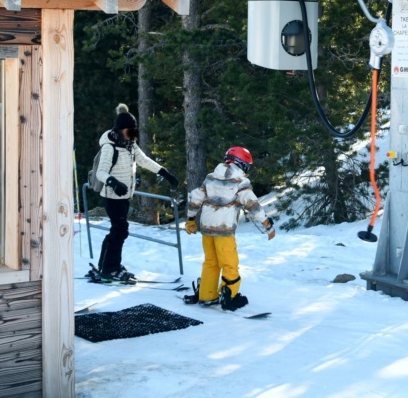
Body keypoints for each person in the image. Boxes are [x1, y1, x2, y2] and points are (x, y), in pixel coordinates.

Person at [89, 103, 178, 283]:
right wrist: (113, 182)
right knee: (120, 231)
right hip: (112, 196)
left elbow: (144, 160)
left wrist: (164, 172)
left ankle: (106, 264)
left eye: (133, 131)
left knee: (117, 231)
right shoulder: (109, 147)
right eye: (128, 131)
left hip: (125, 195)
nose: (131, 135)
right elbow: (101, 172)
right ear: (120, 130)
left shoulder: (130, 145)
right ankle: (110, 268)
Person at [183, 146, 275, 310]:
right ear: (243, 164)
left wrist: (190, 218)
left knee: (211, 262)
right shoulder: (241, 182)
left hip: (206, 228)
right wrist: (267, 224)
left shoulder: (211, 178)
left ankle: (207, 295)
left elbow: (196, 197)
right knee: (229, 265)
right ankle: (230, 297)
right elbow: (252, 205)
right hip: (224, 231)